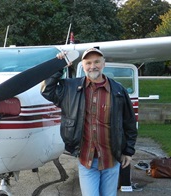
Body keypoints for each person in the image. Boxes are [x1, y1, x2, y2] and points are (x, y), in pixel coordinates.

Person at [41, 48, 138, 196]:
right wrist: (59, 66)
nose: (93, 66)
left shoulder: (118, 91)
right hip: (86, 159)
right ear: (83, 65)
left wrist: (128, 151)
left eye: (97, 62)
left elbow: (129, 123)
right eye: (88, 63)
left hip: (111, 158)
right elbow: (47, 89)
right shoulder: (70, 88)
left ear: (104, 64)